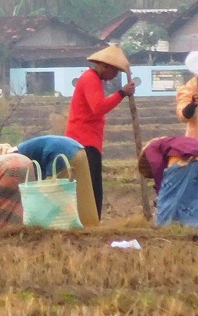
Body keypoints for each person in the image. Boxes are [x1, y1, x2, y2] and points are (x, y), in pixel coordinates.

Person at [65, 45, 135, 220]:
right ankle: (92, 220)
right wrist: (121, 93)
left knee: (91, 185)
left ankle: (91, 220)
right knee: (92, 186)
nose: (116, 75)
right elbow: (98, 108)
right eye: (115, 71)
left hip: (88, 139)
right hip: (84, 141)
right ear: (104, 66)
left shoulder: (93, 79)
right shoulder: (90, 79)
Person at [13, 135, 99, 227]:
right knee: (82, 191)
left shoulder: (16, 157)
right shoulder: (24, 148)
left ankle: (62, 228)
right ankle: (90, 225)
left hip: (60, 155)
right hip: (78, 150)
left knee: (54, 198)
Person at [137, 136, 198, 229]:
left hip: (182, 159)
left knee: (168, 198)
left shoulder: (151, 147)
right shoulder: (176, 140)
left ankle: (162, 229)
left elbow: (157, 165)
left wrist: (160, 189)